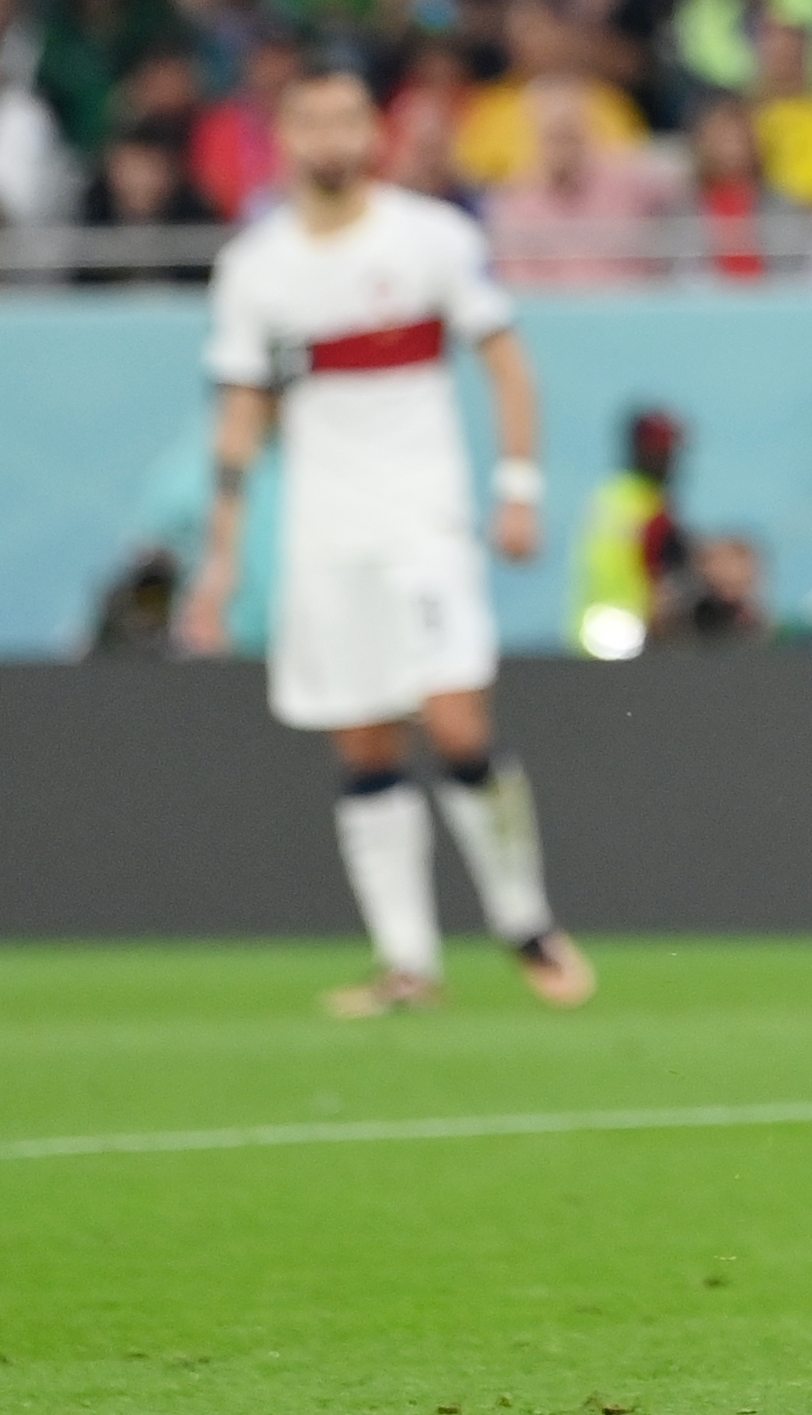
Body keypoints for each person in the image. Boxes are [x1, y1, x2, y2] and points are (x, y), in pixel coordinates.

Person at [180, 64, 590, 1017]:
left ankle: (524, 919)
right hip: (326, 527)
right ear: (284, 139)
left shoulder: (432, 239)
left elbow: (510, 372)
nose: (331, 139)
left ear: (375, 134)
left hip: (426, 517)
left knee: (454, 720)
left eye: (348, 120)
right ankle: (408, 962)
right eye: (312, 122)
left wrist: (518, 488)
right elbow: (240, 415)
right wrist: (223, 550)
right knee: (364, 738)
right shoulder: (256, 270)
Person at [572, 407, 689, 657]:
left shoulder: (607, 495)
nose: (668, 460)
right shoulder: (650, 507)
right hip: (629, 628)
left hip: (597, 626)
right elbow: (659, 570)